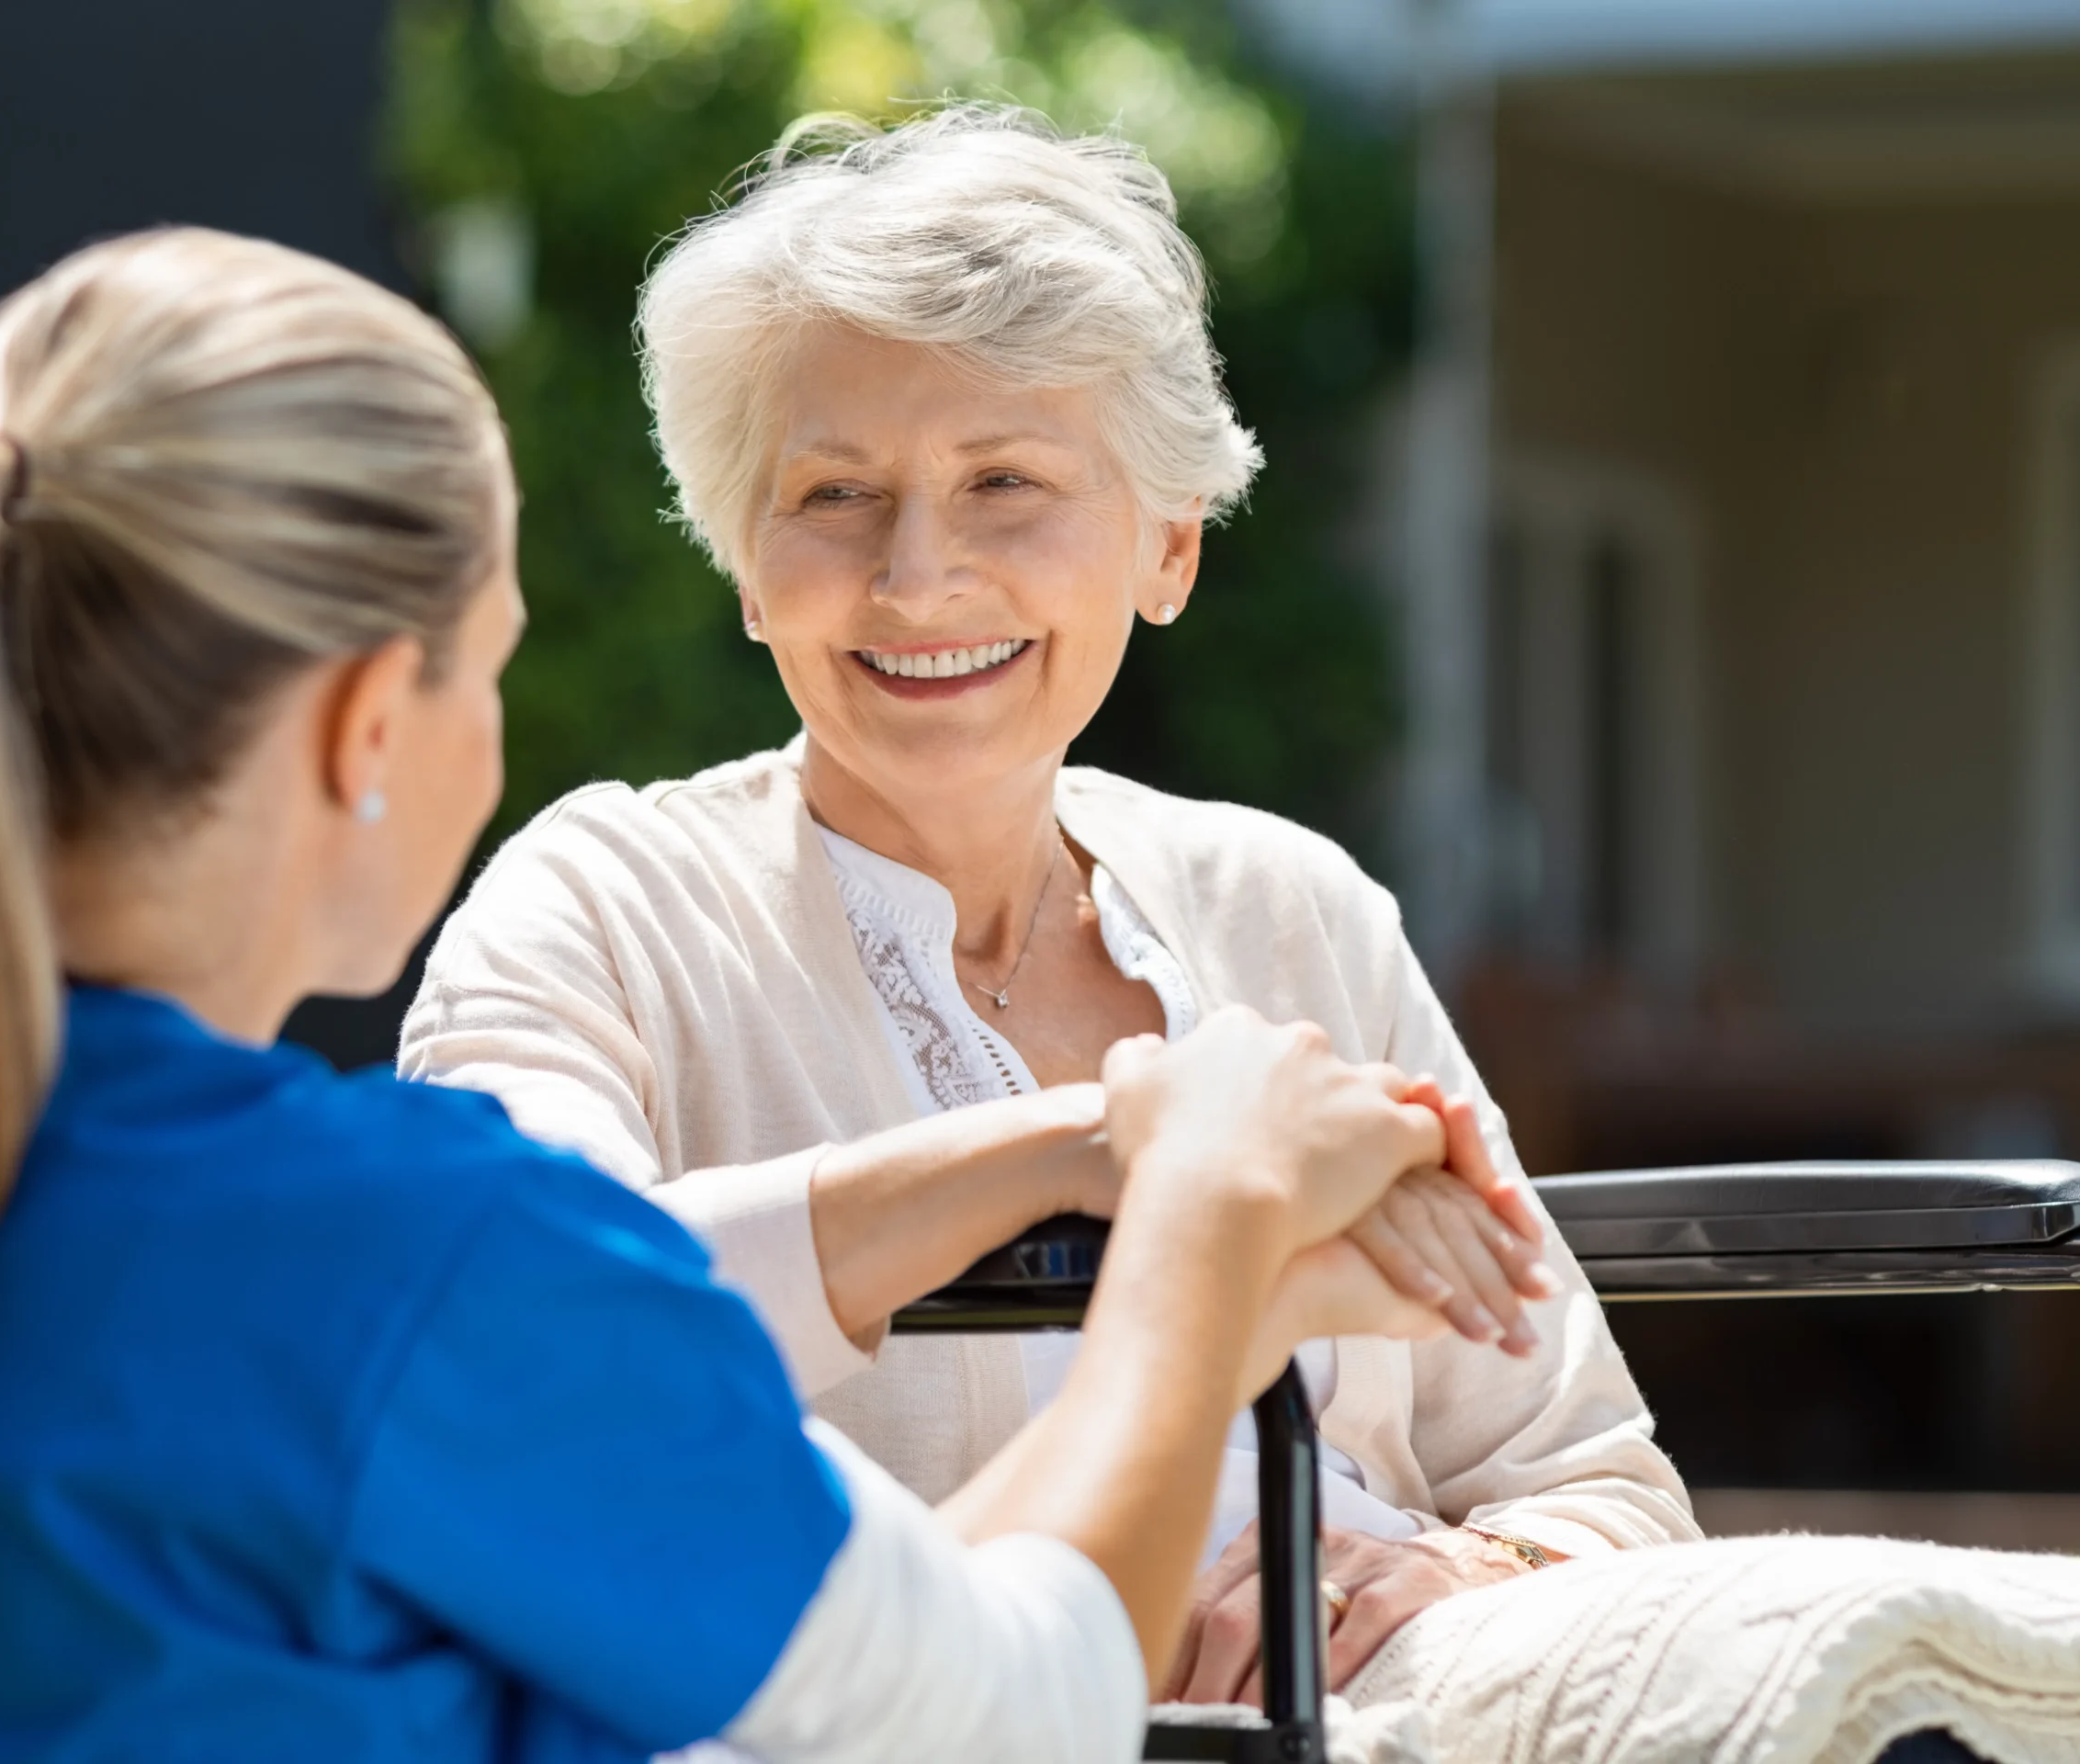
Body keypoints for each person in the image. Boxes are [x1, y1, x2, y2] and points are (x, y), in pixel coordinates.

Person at [0, 227, 1475, 1760]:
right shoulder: (424, 1263)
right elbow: (1009, 1710)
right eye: (495, 656)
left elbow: (838, 1688)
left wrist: (1067, 1158)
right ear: (368, 727)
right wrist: (1205, 1226)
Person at [398, 104, 1698, 1705]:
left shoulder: (1293, 911)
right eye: (833, 496)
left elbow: (1597, 1483)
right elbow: (527, 1342)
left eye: (1004, 481)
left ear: (1168, 546)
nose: (918, 577)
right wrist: (1108, 1146)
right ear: (746, 565)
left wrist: (1449, 1571)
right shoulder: (599, 905)